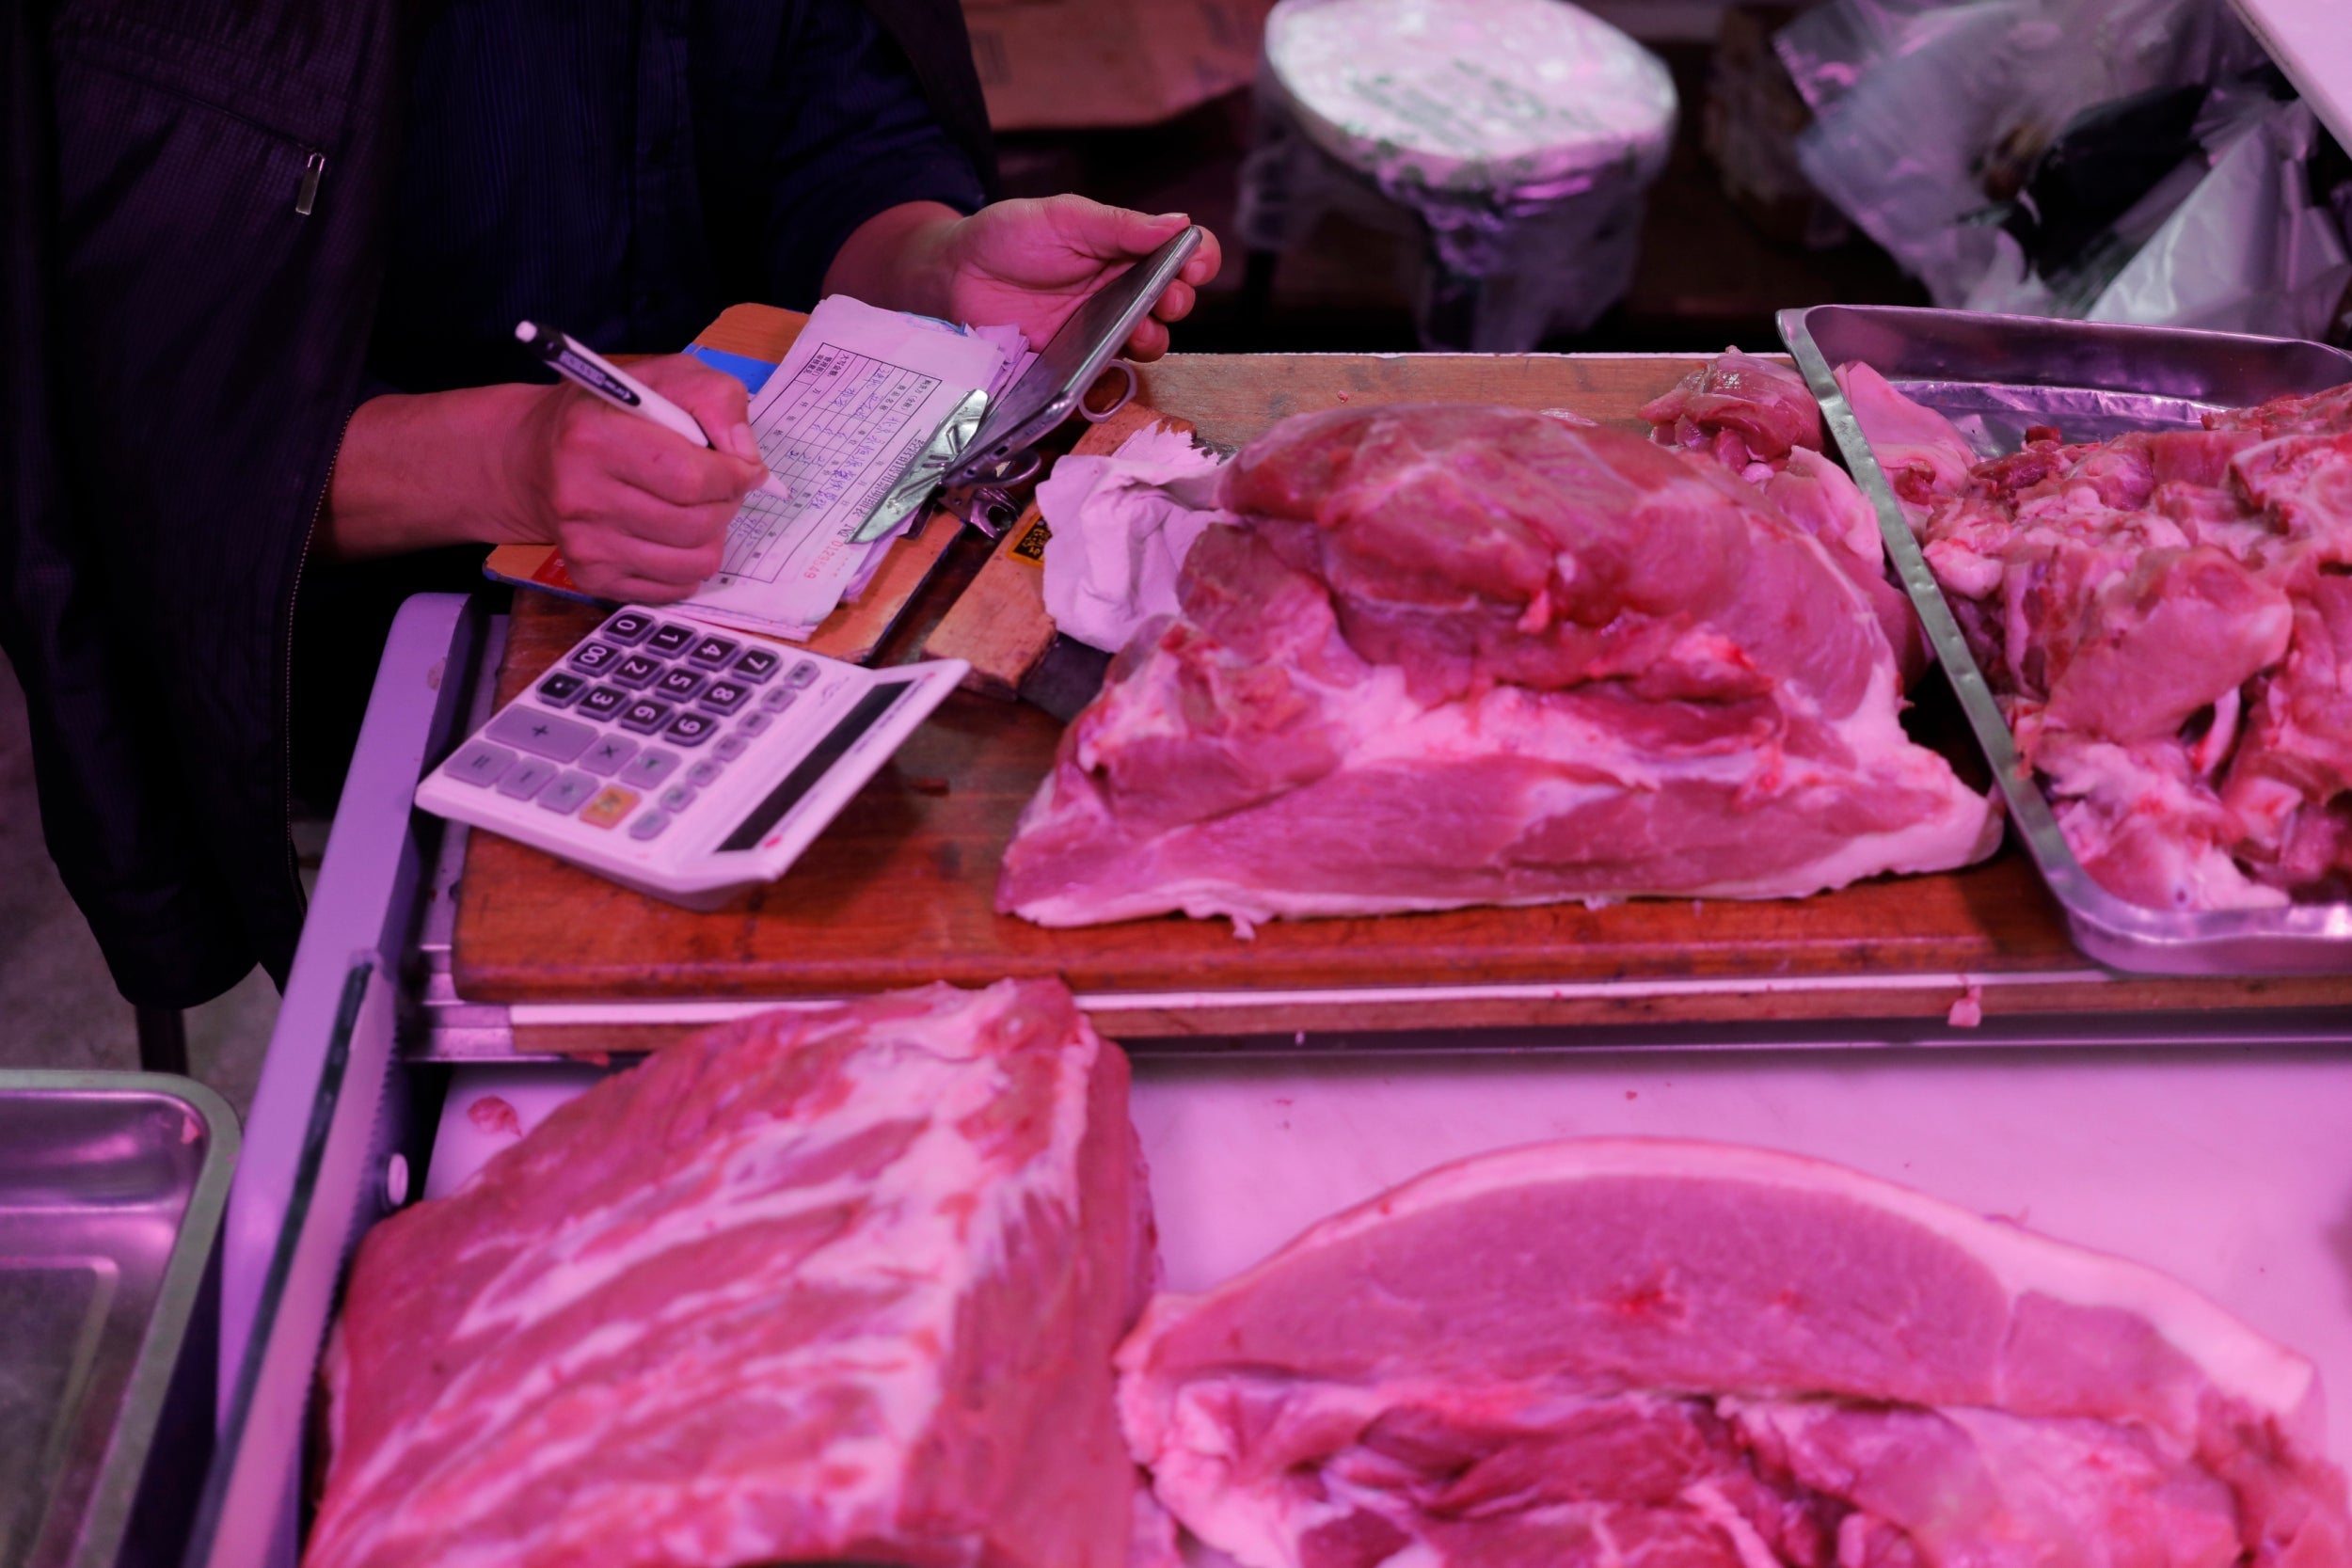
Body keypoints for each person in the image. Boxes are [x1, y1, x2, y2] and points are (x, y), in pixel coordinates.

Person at [1, 0, 1221, 1012]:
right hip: (343, 688)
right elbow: (102, 424)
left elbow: (832, 118)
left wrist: (929, 268)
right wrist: (507, 457)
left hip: (777, 626)